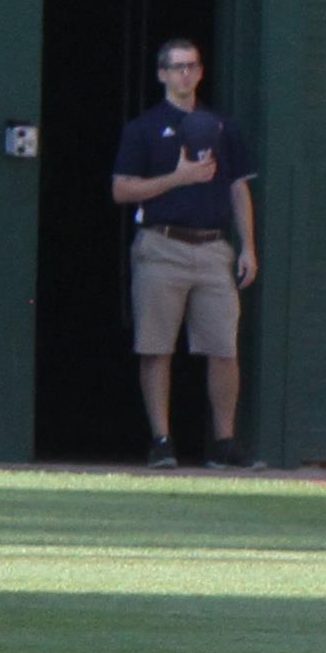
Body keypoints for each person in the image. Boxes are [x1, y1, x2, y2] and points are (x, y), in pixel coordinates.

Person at [106, 32, 256, 467]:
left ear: (201, 72)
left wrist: (248, 247)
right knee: (156, 347)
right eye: (176, 66)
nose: (185, 73)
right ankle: (162, 440)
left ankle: (225, 442)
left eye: (192, 65)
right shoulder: (143, 129)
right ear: (161, 74)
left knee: (223, 347)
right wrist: (178, 178)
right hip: (161, 246)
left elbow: (237, 188)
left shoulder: (224, 127)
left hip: (212, 249)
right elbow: (121, 190)